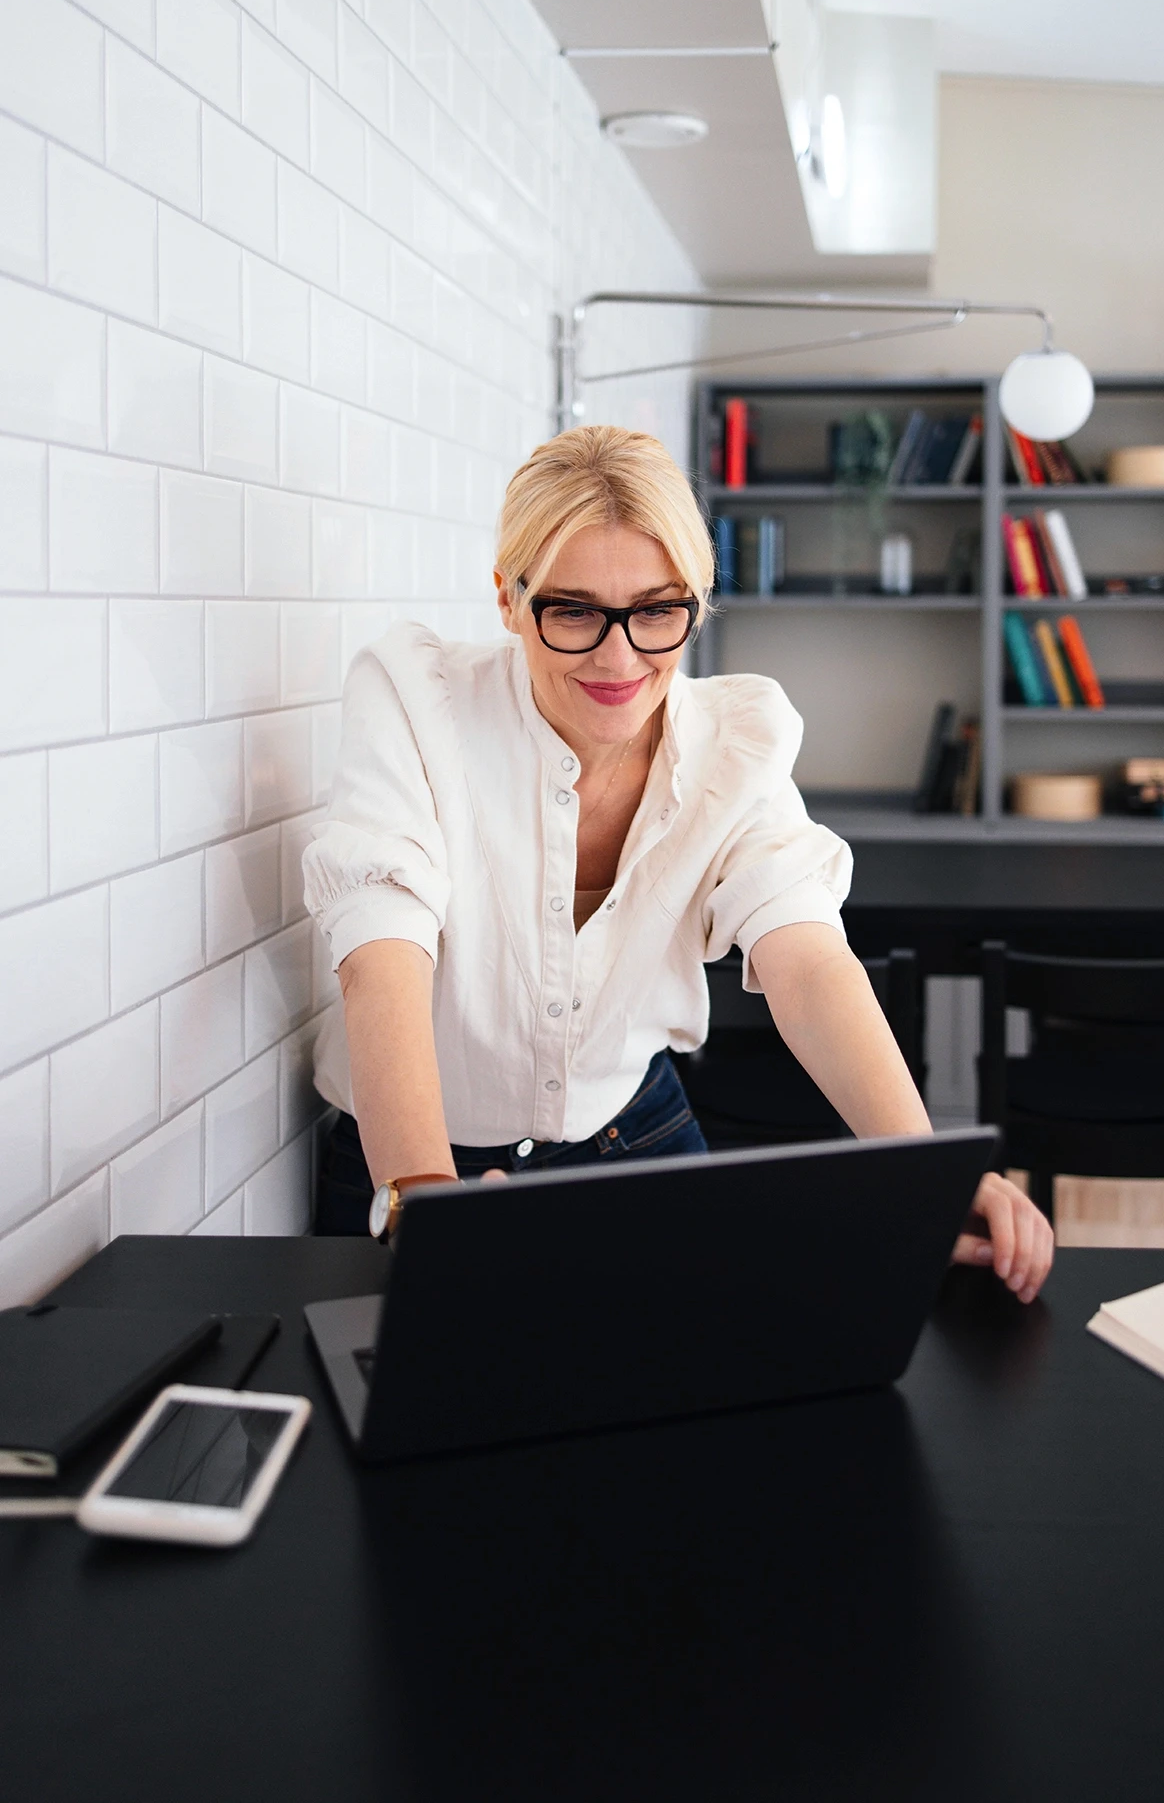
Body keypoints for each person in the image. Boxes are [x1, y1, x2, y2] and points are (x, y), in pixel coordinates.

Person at [302, 425, 1053, 1301]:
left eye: (658, 611)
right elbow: (381, 953)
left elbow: (806, 962)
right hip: (406, 1164)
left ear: (697, 601)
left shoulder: (737, 739)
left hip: (634, 1143)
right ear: (509, 598)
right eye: (573, 611)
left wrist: (934, 1179)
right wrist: (422, 1197)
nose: (619, 657)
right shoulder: (415, 699)